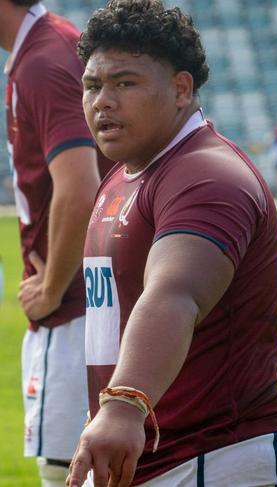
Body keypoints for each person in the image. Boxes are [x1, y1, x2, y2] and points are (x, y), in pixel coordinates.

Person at [66, 1, 277, 486]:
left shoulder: (206, 174)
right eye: (93, 85)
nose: (102, 101)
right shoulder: (123, 176)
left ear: (181, 89)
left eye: (125, 82)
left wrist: (123, 404)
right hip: (156, 458)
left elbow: (176, 294)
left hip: (219, 461)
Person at [0, 1, 108, 485]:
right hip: (89, 301)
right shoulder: (46, 46)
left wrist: (50, 289)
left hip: (73, 307)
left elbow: (79, 186)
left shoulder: (45, 58)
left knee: (68, 469)